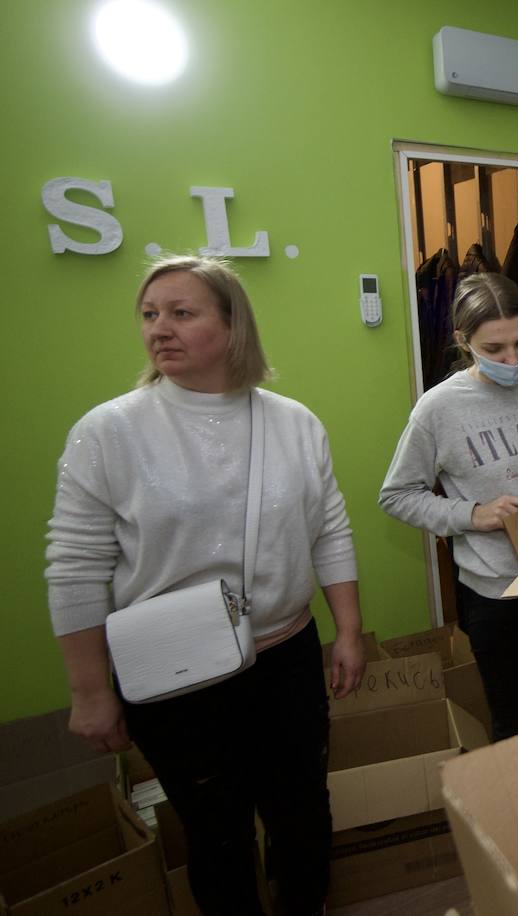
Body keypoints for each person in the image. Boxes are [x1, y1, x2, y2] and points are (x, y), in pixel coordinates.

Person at [44, 255, 366, 916]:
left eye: (181, 313)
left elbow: (330, 528)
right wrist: (89, 691)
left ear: (232, 324)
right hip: (176, 679)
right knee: (216, 833)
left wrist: (350, 631)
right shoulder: (108, 433)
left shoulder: (294, 423)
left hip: (286, 658)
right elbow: (74, 567)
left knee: (303, 811)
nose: (159, 329)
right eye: (149, 314)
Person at [379, 272, 518, 740]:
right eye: (495, 350)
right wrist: (473, 514)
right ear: (464, 341)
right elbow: (396, 495)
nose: (513, 359)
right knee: (517, 723)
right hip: (497, 595)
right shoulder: (438, 409)